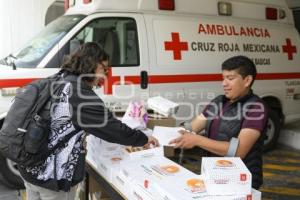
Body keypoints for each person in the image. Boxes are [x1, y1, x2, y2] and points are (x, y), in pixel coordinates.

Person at [18, 42, 159, 200]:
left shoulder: (58, 79)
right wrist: (143, 138)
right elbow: (113, 129)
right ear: (90, 64)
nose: (105, 76)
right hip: (52, 178)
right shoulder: (79, 93)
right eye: (104, 69)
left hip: (29, 169)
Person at [170, 55, 268, 189]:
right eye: (223, 78)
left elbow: (238, 150)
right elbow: (192, 127)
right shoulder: (219, 101)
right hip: (214, 174)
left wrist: (197, 140)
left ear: (247, 80)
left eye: (230, 78)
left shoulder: (256, 108)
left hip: (241, 180)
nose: (224, 83)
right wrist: (167, 134)